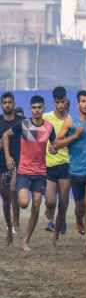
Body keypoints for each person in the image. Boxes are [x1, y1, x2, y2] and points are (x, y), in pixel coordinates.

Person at [4, 95, 56, 253]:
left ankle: (25, 240)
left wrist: (54, 149)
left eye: (39, 107)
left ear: (43, 108)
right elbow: (6, 135)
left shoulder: (49, 127)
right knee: (24, 203)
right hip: (24, 172)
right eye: (34, 108)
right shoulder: (23, 124)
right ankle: (17, 224)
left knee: (36, 204)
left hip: (40, 173)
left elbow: (54, 145)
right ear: (30, 109)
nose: (37, 110)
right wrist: (8, 156)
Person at [53, 90, 86, 254]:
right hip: (75, 171)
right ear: (78, 103)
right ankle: (79, 218)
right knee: (80, 207)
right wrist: (75, 136)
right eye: (83, 101)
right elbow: (57, 144)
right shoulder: (70, 121)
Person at [44, 86, 71, 241]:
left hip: (67, 163)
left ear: (66, 100)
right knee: (50, 200)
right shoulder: (46, 118)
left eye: (63, 101)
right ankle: (50, 214)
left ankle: (60, 220)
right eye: (58, 102)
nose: (61, 105)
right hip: (49, 164)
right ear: (54, 102)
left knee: (64, 198)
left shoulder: (70, 120)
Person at [1, 92, 20, 244]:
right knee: (6, 199)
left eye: (9, 102)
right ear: (2, 105)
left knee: (13, 192)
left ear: (14, 103)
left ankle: (15, 223)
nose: (7, 104)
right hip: (1, 165)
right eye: (4, 102)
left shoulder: (21, 122)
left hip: (18, 165)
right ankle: (9, 226)